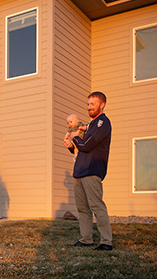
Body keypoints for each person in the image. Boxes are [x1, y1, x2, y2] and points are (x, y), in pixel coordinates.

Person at [63, 91, 113, 251]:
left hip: (92, 171)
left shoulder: (102, 123)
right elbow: (82, 149)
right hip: (79, 171)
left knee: (97, 206)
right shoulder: (91, 124)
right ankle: (86, 239)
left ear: (102, 104)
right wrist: (72, 147)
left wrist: (75, 137)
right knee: (82, 209)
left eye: (93, 104)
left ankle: (106, 241)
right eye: (88, 104)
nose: (89, 107)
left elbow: (87, 145)